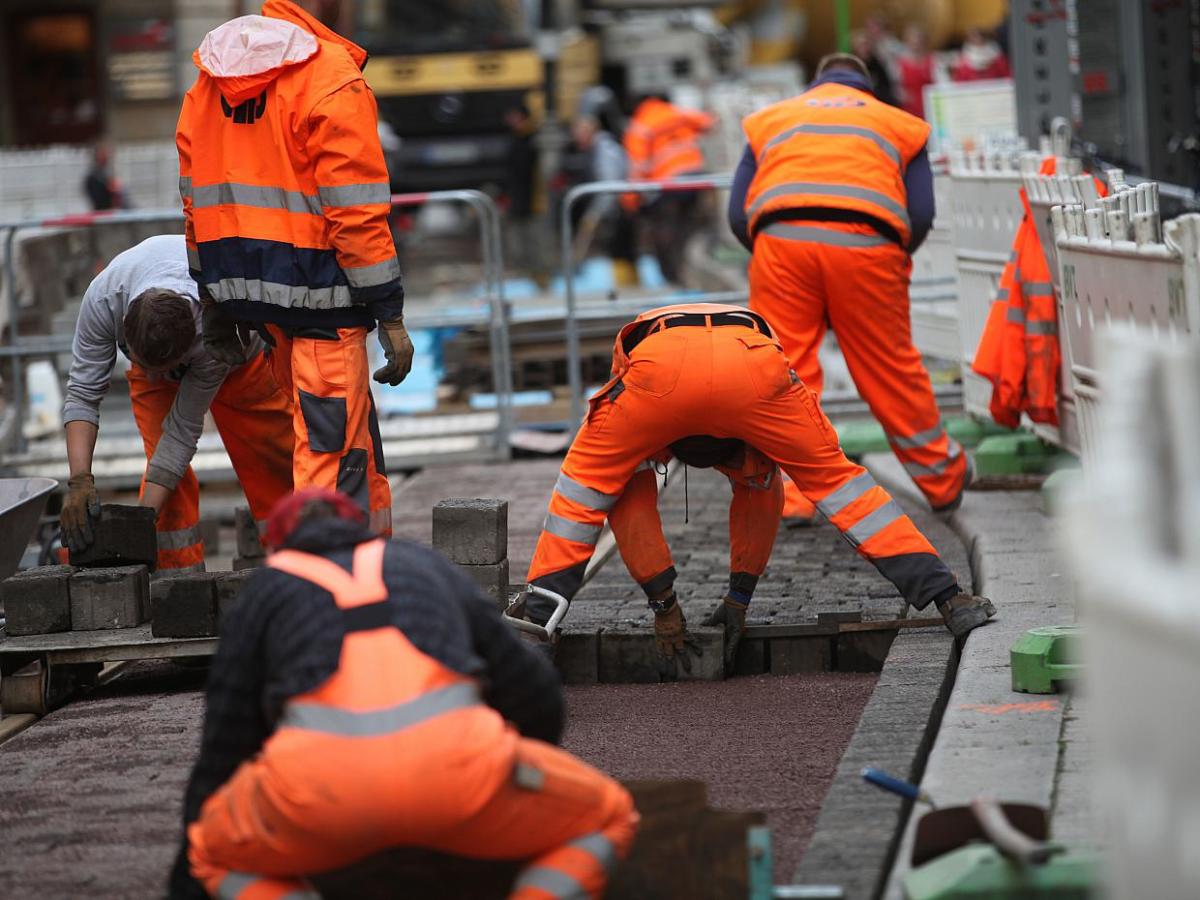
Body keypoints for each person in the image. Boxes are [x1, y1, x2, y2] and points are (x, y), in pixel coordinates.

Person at [171, 488, 637, 900]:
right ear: (361, 531)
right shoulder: (423, 565)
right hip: (463, 778)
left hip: (319, 798)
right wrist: (517, 778)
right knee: (610, 816)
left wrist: (187, 875)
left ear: (279, 548)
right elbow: (534, 690)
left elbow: (223, 749)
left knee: (209, 854)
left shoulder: (265, 594)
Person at [525, 303, 996, 678]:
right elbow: (759, 497)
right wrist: (739, 599)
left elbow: (630, 511)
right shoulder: (754, 442)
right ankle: (950, 599)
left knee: (585, 495)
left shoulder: (638, 388)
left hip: (656, 370)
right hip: (753, 365)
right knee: (840, 484)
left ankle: (532, 629)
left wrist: (663, 606)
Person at [176, 0, 413, 536]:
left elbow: (193, 202)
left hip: (259, 304)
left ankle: (372, 563)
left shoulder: (208, 83)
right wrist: (390, 313)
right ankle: (322, 590)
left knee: (348, 442)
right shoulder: (330, 78)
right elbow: (356, 212)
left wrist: (213, 296)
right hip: (323, 303)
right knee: (330, 455)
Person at [727, 53, 969, 521]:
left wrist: (771, 250)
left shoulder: (769, 120)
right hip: (868, 245)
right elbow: (920, 213)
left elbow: (738, 213)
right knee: (890, 369)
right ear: (867, 87)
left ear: (816, 84)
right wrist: (887, 257)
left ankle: (793, 498)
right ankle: (942, 482)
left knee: (784, 371)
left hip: (781, 242)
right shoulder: (901, 124)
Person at [61, 235, 294, 572]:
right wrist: (79, 480)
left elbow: (182, 433)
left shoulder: (212, 329)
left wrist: (136, 524)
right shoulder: (104, 300)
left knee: (273, 458)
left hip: (240, 360)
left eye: (165, 371)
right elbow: (83, 393)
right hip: (163, 341)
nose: (159, 380)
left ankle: (297, 562)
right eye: (147, 368)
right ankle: (177, 581)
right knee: (166, 479)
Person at [622, 95, 714, 284]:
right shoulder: (675, 112)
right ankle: (688, 274)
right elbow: (708, 122)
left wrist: (630, 201)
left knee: (666, 231)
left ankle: (674, 277)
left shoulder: (640, 127)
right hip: (697, 177)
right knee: (689, 229)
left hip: (669, 183)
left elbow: (638, 167)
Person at [566, 112, 639, 286]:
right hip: (617, 207)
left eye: (578, 133)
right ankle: (627, 285)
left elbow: (610, 184)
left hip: (621, 207)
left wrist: (595, 213)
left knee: (620, 248)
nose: (576, 139)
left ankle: (629, 287)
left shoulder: (605, 150)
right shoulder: (598, 149)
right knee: (618, 249)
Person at [897, 24, 935, 120]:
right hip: (909, 109)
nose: (916, 44)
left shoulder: (933, 60)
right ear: (907, 42)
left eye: (919, 41)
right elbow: (897, 87)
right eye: (913, 41)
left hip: (929, 107)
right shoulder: (899, 63)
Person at [83, 141, 128, 211]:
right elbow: (99, 199)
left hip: (112, 210)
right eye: (103, 153)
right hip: (105, 211)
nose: (107, 155)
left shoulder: (106, 172)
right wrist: (111, 189)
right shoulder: (94, 176)